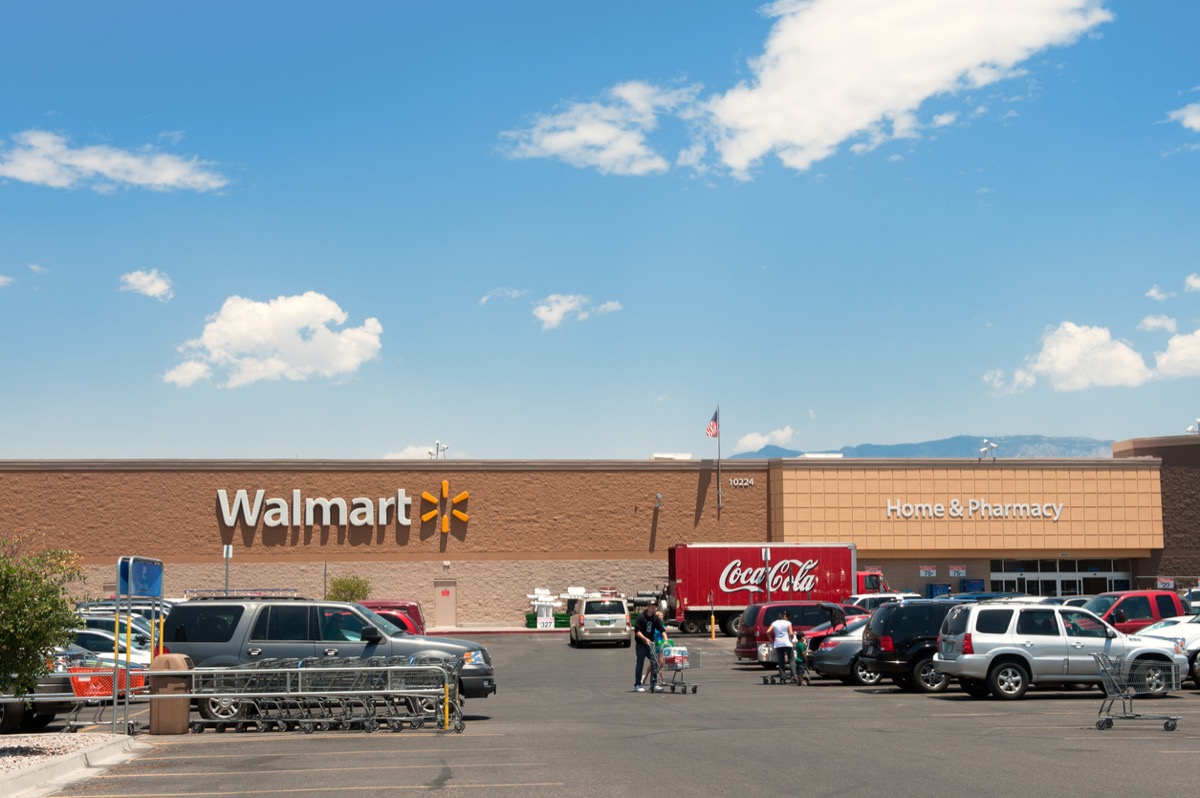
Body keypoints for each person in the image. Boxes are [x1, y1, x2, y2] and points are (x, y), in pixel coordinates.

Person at [633, 604, 667, 692]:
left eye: (654, 607)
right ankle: (637, 684)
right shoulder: (641, 617)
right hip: (641, 644)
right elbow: (637, 631)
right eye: (652, 607)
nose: (653, 609)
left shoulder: (655, 618)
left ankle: (653, 684)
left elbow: (662, 629)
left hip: (650, 644)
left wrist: (666, 639)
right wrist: (645, 638)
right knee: (640, 663)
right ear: (647, 607)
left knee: (655, 662)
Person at [767, 611, 796, 684]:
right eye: (788, 616)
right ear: (785, 616)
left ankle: (782, 679)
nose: (788, 618)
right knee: (791, 660)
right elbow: (791, 633)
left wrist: (770, 639)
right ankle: (793, 677)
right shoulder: (788, 623)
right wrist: (791, 638)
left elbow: (768, 631)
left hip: (778, 644)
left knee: (781, 661)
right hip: (787, 643)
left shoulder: (774, 623)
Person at [653, 610, 671, 685]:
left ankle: (645, 678)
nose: (662, 617)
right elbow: (656, 635)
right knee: (660, 663)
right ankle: (661, 680)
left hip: (662, 644)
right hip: (657, 644)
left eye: (662, 615)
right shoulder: (656, 626)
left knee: (657, 663)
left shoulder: (661, 625)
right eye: (660, 616)